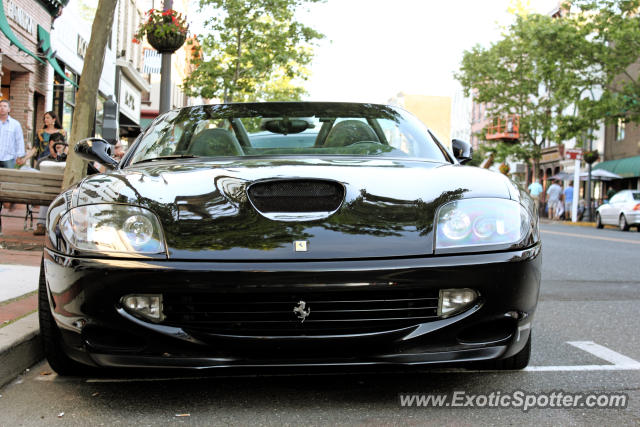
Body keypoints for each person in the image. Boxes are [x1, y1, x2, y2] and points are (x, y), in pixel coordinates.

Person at [33, 133, 68, 236]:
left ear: (64, 147)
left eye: (58, 147)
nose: (55, 150)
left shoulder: (70, 162)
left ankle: (44, 224)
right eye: (53, 147)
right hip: (47, 192)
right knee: (47, 193)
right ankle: (42, 225)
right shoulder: (42, 161)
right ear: (49, 146)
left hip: (62, 193)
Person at [0, 100, 27, 169]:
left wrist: (20, 156)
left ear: (9, 109)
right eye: (0, 106)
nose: (2, 108)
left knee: (9, 178)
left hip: (9, 158)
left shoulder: (15, 124)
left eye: (5, 106)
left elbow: (19, 140)